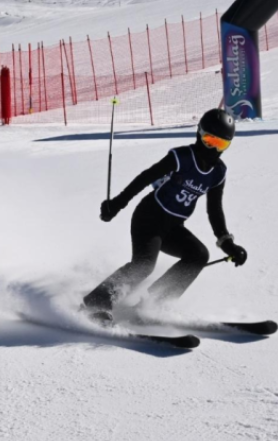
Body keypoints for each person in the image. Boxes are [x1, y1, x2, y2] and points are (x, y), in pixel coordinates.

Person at [82, 108, 248, 322]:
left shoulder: (218, 172)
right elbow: (145, 177)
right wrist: (117, 204)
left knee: (199, 255)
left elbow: (214, 209)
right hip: (149, 218)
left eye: (221, 144)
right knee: (144, 265)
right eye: (209, 140)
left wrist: (227, 243)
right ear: (199, 134)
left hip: (172, 227)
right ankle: (96, 301)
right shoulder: (182, 157)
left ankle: (153, 304)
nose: (213, 149)